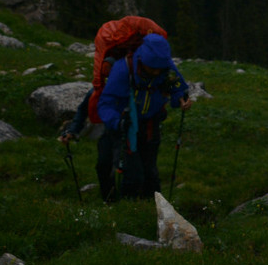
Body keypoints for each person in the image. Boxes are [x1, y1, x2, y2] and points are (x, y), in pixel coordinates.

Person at [96, 33, 192, 201]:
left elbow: (178, 88)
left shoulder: (166, 68)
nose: (156, 72)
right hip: (125, 126)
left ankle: (151, 208)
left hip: (150, 126)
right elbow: (106, 103)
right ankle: (127, 209)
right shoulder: (123, 69)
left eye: (159, 69)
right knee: (133, 173)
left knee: (150, 173)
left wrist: (181, 99)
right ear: (142, 60)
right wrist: (117, 123)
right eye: (151, 67)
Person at [59, 16, 168, 145]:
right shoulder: (123, 47)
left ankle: (74, 130)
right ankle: (73, 130)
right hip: (127, 77)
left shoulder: (132, 44)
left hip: (134, 78)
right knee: (90, 99)